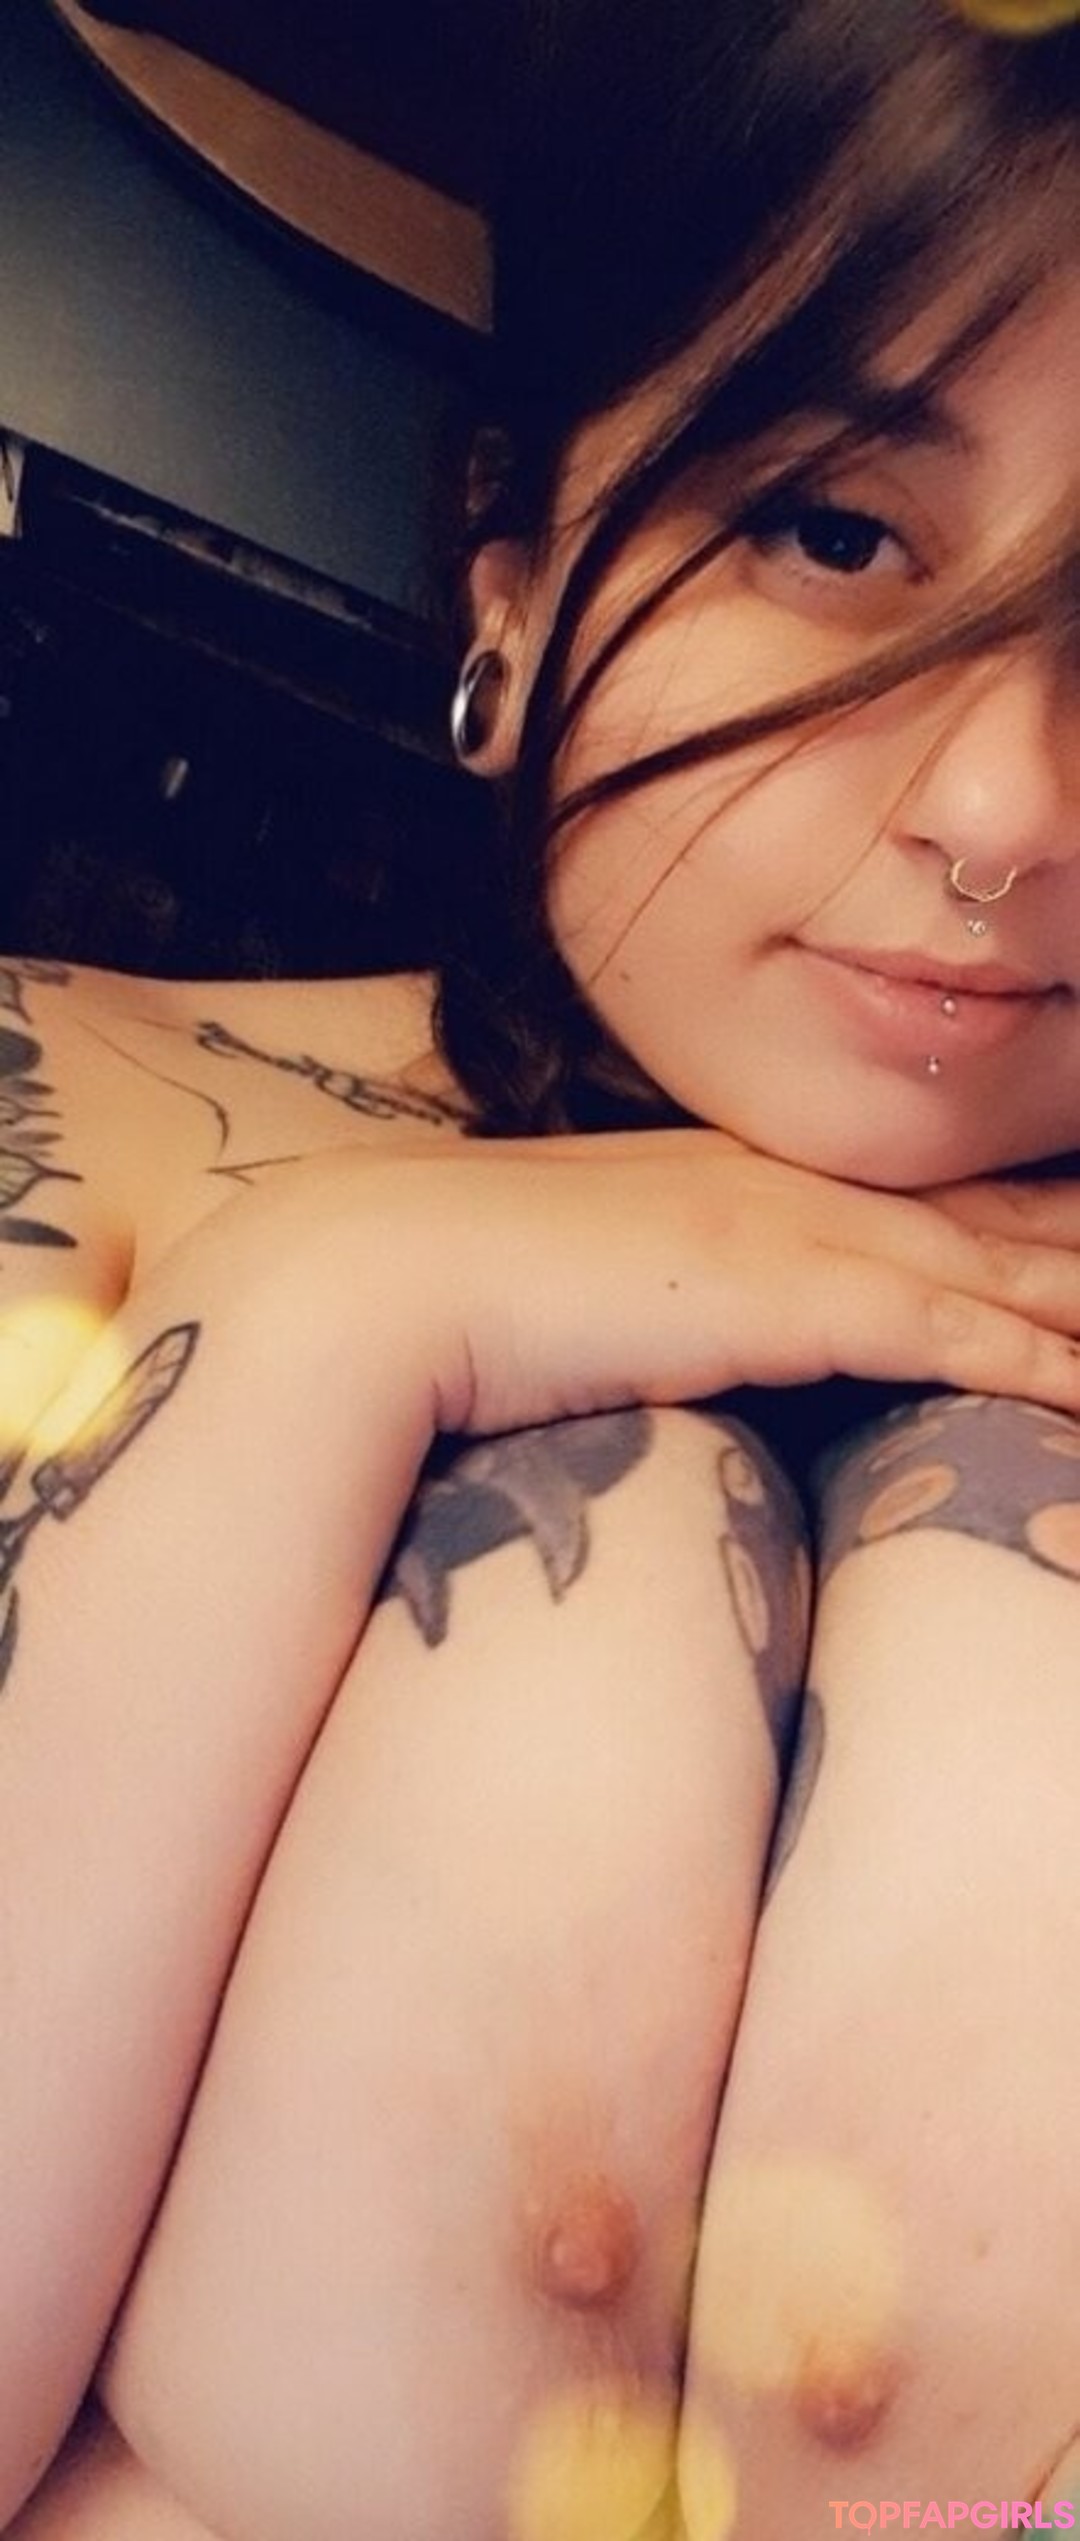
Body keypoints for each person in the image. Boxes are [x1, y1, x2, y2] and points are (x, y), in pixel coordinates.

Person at [2, 0, 1080, 2532]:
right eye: (837, 533)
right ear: (516, 561)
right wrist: (336, 1318)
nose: (1004, 804)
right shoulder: (65, 1112)